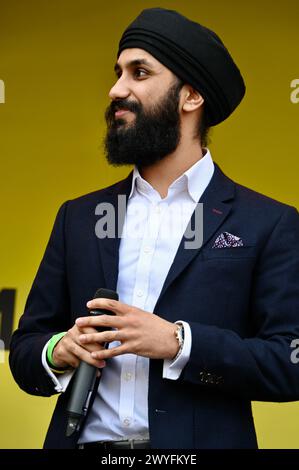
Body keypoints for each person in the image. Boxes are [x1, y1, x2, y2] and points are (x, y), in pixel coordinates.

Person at [9, 7, 299, 449]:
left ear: (190, 97)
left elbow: (290, 363)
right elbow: (27, 346)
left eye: (139, 72)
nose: (116, 89)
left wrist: (179, 343)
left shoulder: (268, 222)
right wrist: (57, 351)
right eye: (118, 72)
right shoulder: (79, 217)